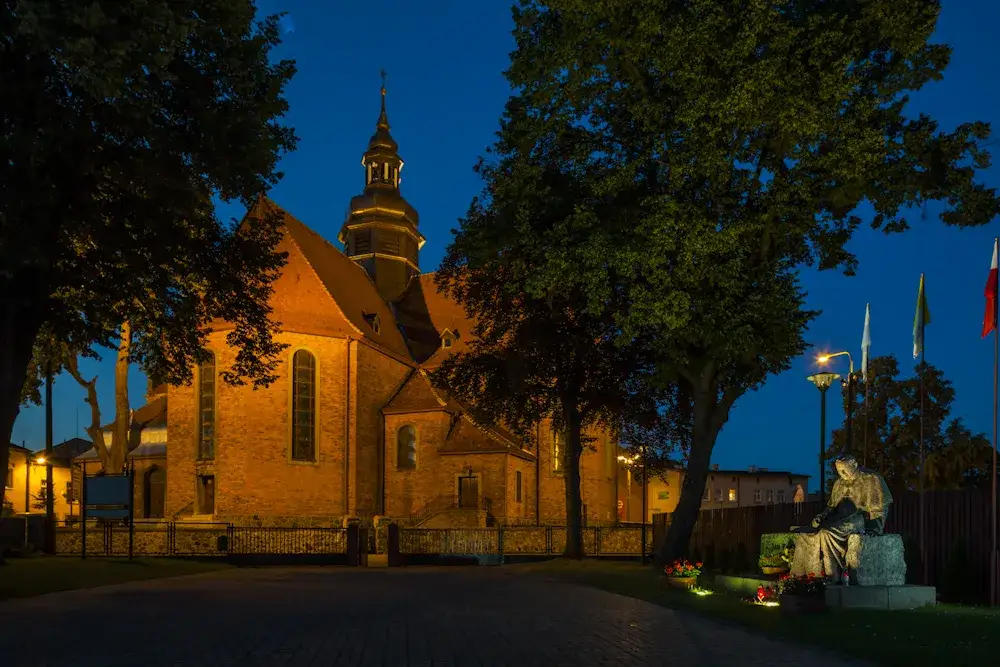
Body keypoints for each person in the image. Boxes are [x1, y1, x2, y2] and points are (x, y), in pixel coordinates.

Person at [790, 455, 892, 582]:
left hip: (857, 519)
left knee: (826, 533)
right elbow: (831, 506)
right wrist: (821, 517)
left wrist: (875, 528)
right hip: (837, 519)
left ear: (854, 465)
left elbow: (879, 508)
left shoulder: (871, 479)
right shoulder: (839, 483)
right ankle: (803, 575)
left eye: (844, 470)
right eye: (839, 471)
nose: (842, 473)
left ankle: (832, 574)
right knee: (805, 534)